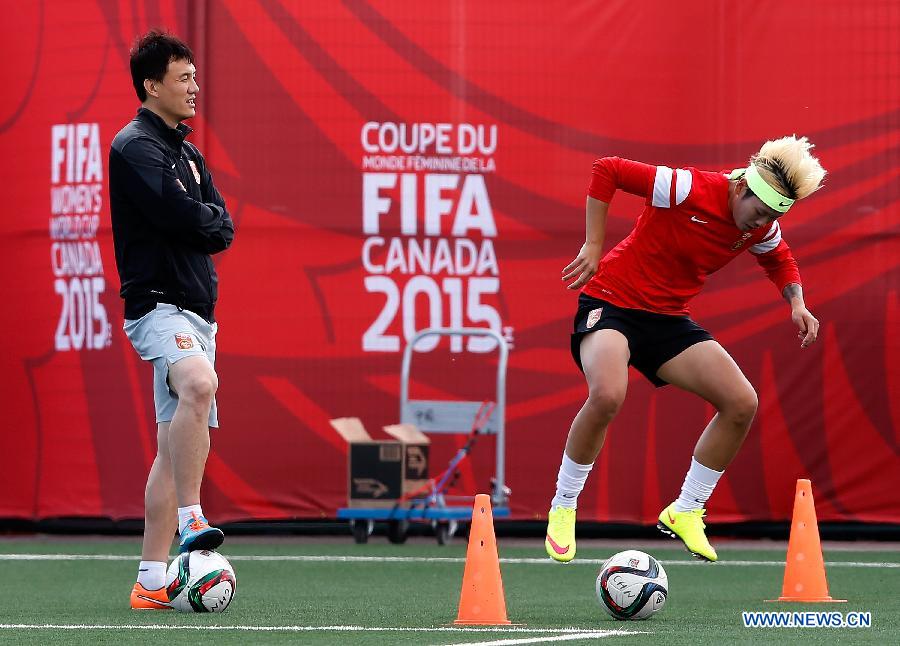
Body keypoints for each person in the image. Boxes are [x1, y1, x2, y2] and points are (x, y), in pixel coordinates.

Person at [545, 136, 826, 563]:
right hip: (611, 302)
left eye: (771, 217)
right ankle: (564, 504)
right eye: (760, 211)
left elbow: (779, 258)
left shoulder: (762, 225)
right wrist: (593, 244)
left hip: (667, 319)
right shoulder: (685, 188)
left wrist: (798, 303)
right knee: (607, 395)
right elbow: (608, 169)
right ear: (739, 188)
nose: (761, 223)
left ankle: (687, 508)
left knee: (741, 402)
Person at [109, 30, 235, 609]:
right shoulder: (134, 145)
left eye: (195, 77)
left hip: (197, 309)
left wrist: (199, 218)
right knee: (200, 384)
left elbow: (220, 226)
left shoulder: (188, 151)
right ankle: (192, 519)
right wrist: (198, 218)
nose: (194, 87)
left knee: (171, 447)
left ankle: (151, 580)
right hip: (157, 304)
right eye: (183, 78)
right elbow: (176, 213)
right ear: (150, 85)